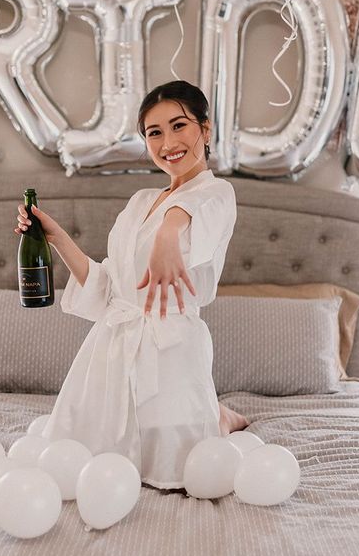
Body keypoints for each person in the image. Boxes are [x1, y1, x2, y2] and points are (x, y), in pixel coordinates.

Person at [14, 80, 248, 490]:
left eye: (179, 126)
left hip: (171, 353)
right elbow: (108, 288)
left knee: (176, 469)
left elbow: (194, 210)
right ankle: (214, 412)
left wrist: (168, 233)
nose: (168, 142)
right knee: (79, 460)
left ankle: (217, 417)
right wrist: (56, 238)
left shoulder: (218, 194)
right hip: (112, 350)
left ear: (205, 131)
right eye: (154, 132)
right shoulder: (139, 202)